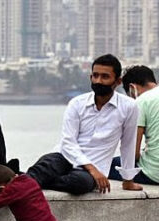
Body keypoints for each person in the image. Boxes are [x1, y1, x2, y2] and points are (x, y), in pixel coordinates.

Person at [27, 54, 139, 194]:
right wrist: (90, 167)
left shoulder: (129, 107)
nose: (98, 81)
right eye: (95, 75)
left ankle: (36, 181)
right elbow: (68, 142)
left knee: (80, 183)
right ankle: (28, 182)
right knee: (44, 166)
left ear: (118, 81)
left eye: (105, 77)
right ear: (90, 77)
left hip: (94, 168)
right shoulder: (77, 103)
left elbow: (128, 144)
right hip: (65, 157)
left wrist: (128, 180)